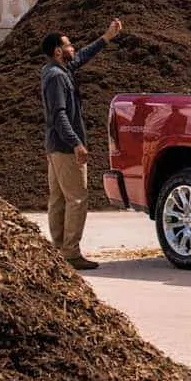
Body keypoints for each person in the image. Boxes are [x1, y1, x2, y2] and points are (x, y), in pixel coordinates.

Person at [40, 19, 122, 270]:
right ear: (57, 51)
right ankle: (71, 253)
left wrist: (106, 37)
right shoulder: (56, 77)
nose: (73, 48)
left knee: (58, 199)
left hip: (55, 146)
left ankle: (58, 250)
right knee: (76, 199)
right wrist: (77, 143)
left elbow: (81, 57)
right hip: (65, 147)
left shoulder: (56, 70)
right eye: (69, 45)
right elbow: (60, 115)